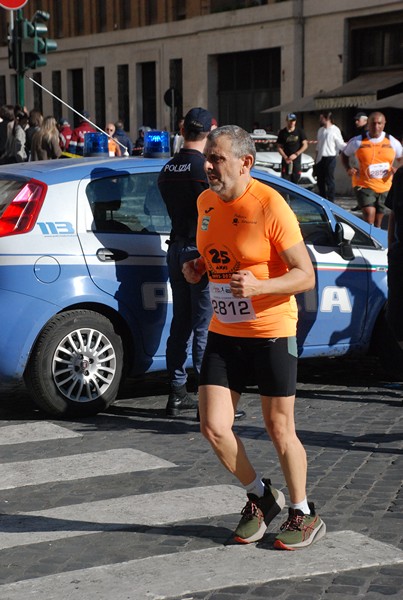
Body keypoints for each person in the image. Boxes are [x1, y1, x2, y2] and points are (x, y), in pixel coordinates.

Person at [182, 125, 325, 550]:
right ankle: (261, 495)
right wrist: (200, 267)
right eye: (207, 157)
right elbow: (217, 255)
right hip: (226, 331)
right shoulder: (205, 201)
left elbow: (305, 274)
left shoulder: (270, 205)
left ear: (245, 163)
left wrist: (260, 288)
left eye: (216, 159)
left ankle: (303, 511)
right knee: (213, 427)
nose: (207, 166)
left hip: (271, 331)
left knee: (279, 429)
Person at [157, 107, 214, 418]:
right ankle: (209, 401)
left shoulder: (168, 168)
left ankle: (177, 393)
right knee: (204, 327)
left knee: (181, 324)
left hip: (175, 248)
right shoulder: (202, 169)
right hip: (199, 253)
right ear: (208, 131)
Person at [341, 111, 403, 227]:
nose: (376, 127)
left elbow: (401, 158)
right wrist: (348, 168)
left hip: (385, 185)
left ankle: (375, 239)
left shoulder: (392, 142)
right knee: (369, 214)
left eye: (379, 123)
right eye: (373, 123)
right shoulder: (358, 141)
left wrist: (397, 169)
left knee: (379, 219)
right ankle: (369, 237)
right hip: (363, 184)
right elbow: (344, 154)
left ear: (384, 124)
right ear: (368, 124)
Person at [385, 166, 403, 351]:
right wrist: (390, 249)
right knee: (395, 318)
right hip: (399, 257)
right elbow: (394, 214)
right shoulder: (401, 175)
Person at [315, 111, 346, 201]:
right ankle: (322, 199)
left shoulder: (335, 130)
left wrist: (348, 148)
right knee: (320, 180)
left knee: (329, 180)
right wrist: (316, 159)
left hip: (330, 157)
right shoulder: (320, 130)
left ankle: (331, 200)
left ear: (326, 118)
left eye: (321, 118)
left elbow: (340, 144)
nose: (320, 120)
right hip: (320, 158)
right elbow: (318, 146)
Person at [277, 112, 308, 184]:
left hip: (296, 160)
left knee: (296, 178)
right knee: (285, 180)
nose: (292, 123)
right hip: (286, 160)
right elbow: (279, 147)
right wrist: (285, 157)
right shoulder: (282, 132)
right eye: (290, 121)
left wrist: (296, 154)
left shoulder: (300, 131)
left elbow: (305, 145)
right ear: (287, 121)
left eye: (293, 121)